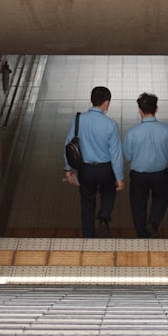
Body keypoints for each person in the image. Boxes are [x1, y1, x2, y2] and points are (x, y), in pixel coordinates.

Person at [64, 86, 124, 237]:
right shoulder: (111, 125)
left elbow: (68, 145)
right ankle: (104, 218)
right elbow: (116, 154)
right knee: (109, 193)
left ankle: (88, 235)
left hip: (85, 170)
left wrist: (68, 170)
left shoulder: (78, 120)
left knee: (87, 202)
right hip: (105, 169)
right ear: (106, 103)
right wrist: (119, 177)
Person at [121, 92, 168, 238]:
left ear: (140, 110)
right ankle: (153, 223)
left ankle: (141, 233)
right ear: (156, 109)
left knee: (138, 204)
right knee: (162, 197)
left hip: (139, 175)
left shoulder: (132, 133)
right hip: (160, 173)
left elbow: (127, 155)